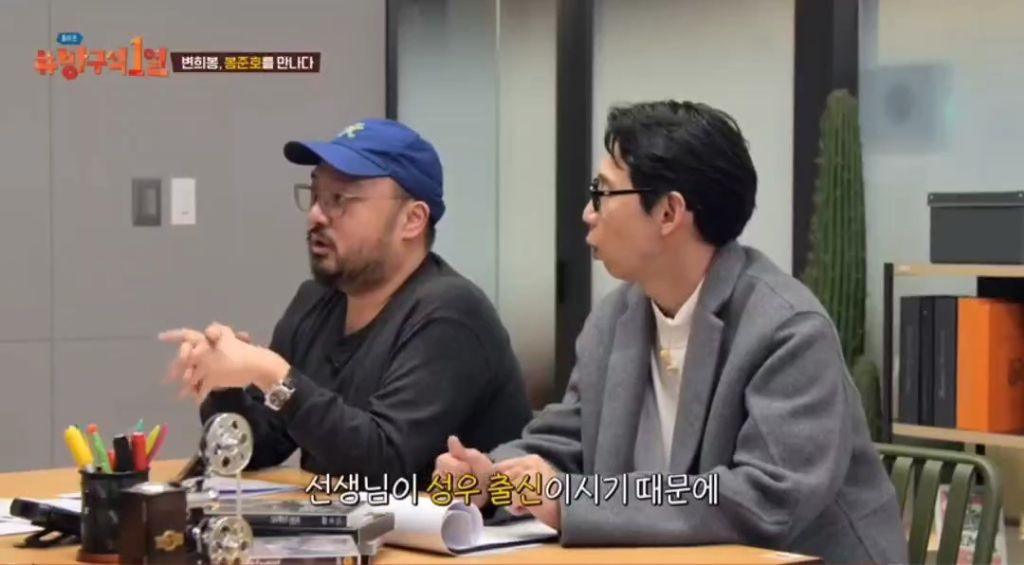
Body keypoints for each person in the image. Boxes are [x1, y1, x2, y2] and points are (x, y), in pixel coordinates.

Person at [434, 101, 908, 563]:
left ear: (668, 213)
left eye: (603, 193)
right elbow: (565, 444)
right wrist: (491, 479)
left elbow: (762, 499)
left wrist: (569, 500)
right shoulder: (615, 318)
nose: (588, 213)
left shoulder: (786, 329)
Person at [160, 118, 532, 487]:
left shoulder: (450, 314)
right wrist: (225, 385)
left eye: (339, 200)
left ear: (412, 220)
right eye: (316, 196)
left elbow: (382, 464)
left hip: (462, 524)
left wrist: (271, 373)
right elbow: (263, 446)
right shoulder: (315, 303)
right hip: (344, 523)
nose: (315, 215)